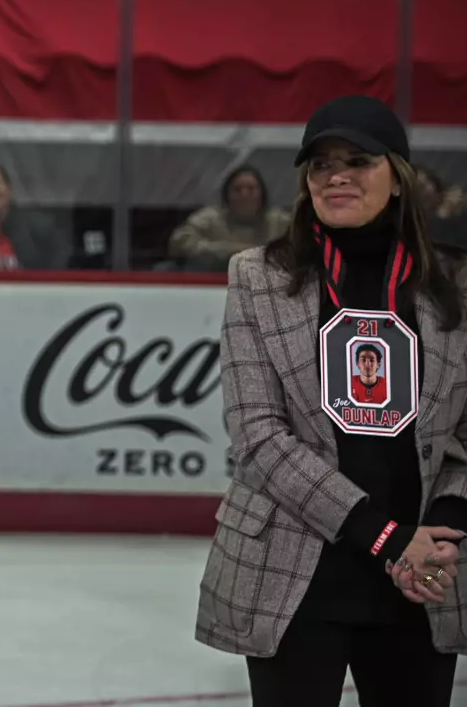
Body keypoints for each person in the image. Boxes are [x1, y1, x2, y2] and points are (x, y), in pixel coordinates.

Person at [195, 95, 467, 706]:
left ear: (398, 177)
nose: (336, 175)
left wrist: (441, 535)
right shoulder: (258, 277)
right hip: (294, 580)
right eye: (320, 164)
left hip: (420, 582)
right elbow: (258, 439)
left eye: (358, 160)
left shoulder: (457, 285)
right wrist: (386, 538)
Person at [169, 165, 291, 272]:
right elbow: (179, 242)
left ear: (262, 195)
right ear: (227, 196)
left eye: (251, 189)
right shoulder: (210, 219)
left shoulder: (279, 221)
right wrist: (229, 250)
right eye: (237, 190)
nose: (244, 195)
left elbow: (305, 243)